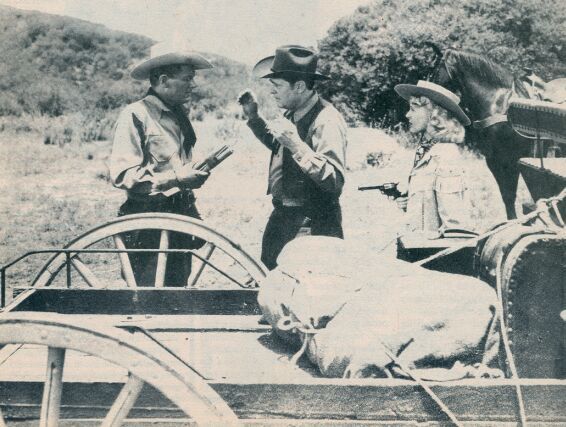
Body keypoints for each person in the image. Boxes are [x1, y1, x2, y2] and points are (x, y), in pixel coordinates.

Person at [109, 42, 212, 286]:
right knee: (146, 295)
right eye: (187, 79)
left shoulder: (179, 115)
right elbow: (124, 175)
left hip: (180, 217)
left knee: (176, 292)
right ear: (164, 80)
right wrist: (177, 179)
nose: (193, 85)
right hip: (148, 223)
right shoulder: (135, 115)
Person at [240, 45, 348, 270]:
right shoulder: (292, 112)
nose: (272, 92)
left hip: (313, 226)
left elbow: (334, 180)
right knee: (272, 282)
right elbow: (279, 145)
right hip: (284, 219)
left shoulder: (327, 120)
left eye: (277, 86)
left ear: (299, 86)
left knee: (304, 293)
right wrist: (254, 117)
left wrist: (296, 144)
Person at [393, 80, 474, 239]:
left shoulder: (446, 156)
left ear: (435, 114)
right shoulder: (427, 151)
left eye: (413, 109)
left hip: (433, 257)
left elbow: (456, 230)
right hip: (416, 248)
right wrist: (409, 202)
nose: (407, 115)